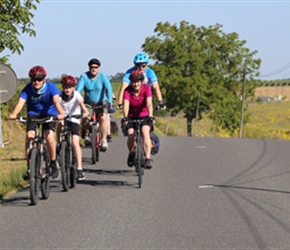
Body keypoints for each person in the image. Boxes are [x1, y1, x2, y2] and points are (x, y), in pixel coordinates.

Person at [9, 65, 66, 180]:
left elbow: (56, 102)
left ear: (44, 79)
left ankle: (53, 162)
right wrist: (14, 114)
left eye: (39, 79)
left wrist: (61, 113)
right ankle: (30, 167)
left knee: (49, 136)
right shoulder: (27, 89)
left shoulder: (51, 87)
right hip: (33, 114)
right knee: (29, 137)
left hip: (49, 113)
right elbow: (20, 103)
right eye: (34, 80)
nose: (36, 82)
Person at [76, 58, 113, 151]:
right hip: (88, 103)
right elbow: (79, 90)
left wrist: (110, 102)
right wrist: (76, 100)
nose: (94, 69)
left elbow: (109, 89)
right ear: (89, 67)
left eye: (96, 67)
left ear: (99, 68)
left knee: (103, 118)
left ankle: (104, 140)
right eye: (92, 67)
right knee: (85, 118)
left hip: (102, 102)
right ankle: (87, 134)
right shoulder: (84, 76)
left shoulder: (103, 76)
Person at [58, 75, 89, 181]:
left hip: (74, 119)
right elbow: (55, 106)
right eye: (65, 87)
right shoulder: (59, 96)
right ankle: (59, 147)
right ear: (62, 87)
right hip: (63, 118)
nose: (67, 89)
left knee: (75, 142)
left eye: (70, 87)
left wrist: (85, 112)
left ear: (74, 88)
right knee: (60, 127)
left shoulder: (76, 95)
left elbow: (81, 104)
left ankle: (79, 168)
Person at [121, 69, 155, 169]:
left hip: (144, 115)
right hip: (131, 116)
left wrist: (151, 116)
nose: (136, 84)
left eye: (138, 82)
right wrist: (125, 117)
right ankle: (131, 154)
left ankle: (148, 158)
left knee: (145, 132)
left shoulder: (147, 88)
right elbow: (126, 105)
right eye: (134, 82)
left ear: (142, 82)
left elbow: (149, 104)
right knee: (131, 135)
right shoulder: (127, 91)